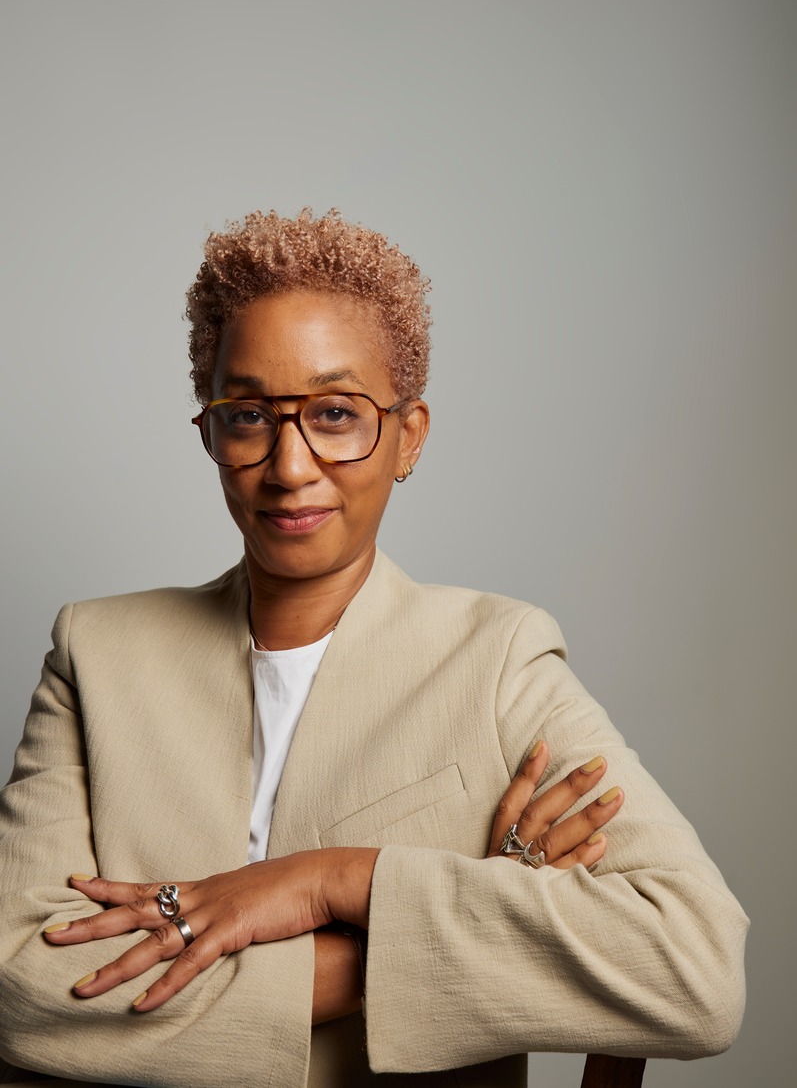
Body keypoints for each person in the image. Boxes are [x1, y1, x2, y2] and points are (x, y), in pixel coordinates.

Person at [0, 210, 747, 1087]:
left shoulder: (498, 660)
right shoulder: (96, 653)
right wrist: (388, 959)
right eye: (248, 414)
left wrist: (332, 882)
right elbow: (17, 984)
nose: (289, 465)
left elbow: (693, 970)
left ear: (409, 436)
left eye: (335, 413)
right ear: (209, 432)